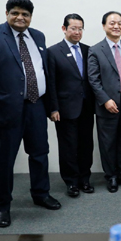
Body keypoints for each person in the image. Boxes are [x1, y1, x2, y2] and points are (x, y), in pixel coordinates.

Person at [0, 0, 61, 228]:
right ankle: (2, 206)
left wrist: (51, 106)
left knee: (40, 153)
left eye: (25, 14)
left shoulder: (38, 36)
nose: (20, 17)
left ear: (31, 17)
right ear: (7, 14)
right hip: (5, 110)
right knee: (4, 160)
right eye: (15, 13)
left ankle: (41, 194)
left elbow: (44, 71)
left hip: (36, 106)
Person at [87, 11, 121, 193]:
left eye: (120, 23)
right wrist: (105, 100)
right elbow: (93, 79)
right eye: (112, 23)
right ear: (104, 26)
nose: (116, 26)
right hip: (107, 105)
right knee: (107, 142)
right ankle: (111, 176)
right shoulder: (95, 50)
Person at [47, 13, 95, 198]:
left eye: (80, 29)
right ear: (64, 29)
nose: (77, 32)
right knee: (68, 146)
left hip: (87, 106)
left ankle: (85, 179)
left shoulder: (88, 50)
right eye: (73, 28)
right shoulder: (53, 52)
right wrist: (53, 108)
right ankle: (71, 182)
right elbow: (51, 82)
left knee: (86, 145)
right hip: (65, 108)